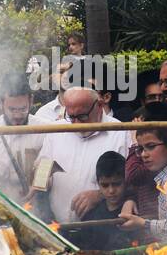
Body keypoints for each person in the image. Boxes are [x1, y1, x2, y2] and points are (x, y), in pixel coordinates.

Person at [34, 87, 129, 222]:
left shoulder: (119, 133)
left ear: (100, 105)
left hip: (101, 228)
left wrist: (100, 195)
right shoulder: (57, 130)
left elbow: (131, 181)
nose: (76, 124)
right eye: (71, 117)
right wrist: (39, 181)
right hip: (58, 226)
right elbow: (43, 165)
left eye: (82, 116)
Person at [118, 117, 167, 242]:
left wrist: (144, 224)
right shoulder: (166, 179)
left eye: (151, 146)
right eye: (141, 149)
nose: (143, 154)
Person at [0, 74, 43, 196]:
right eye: (12, 110)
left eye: (23, 109)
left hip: (34, 205)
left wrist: (39, 183)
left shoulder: (44, 129)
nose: (17, 116)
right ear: (2, 103)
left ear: (31, 101)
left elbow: (48, 164)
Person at [71, 151, 129, 251]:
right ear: (98, 183)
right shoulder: (90, 214)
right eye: (105, 185)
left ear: (126, 180)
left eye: (116, 184)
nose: (111, 191)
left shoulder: (131, 212)